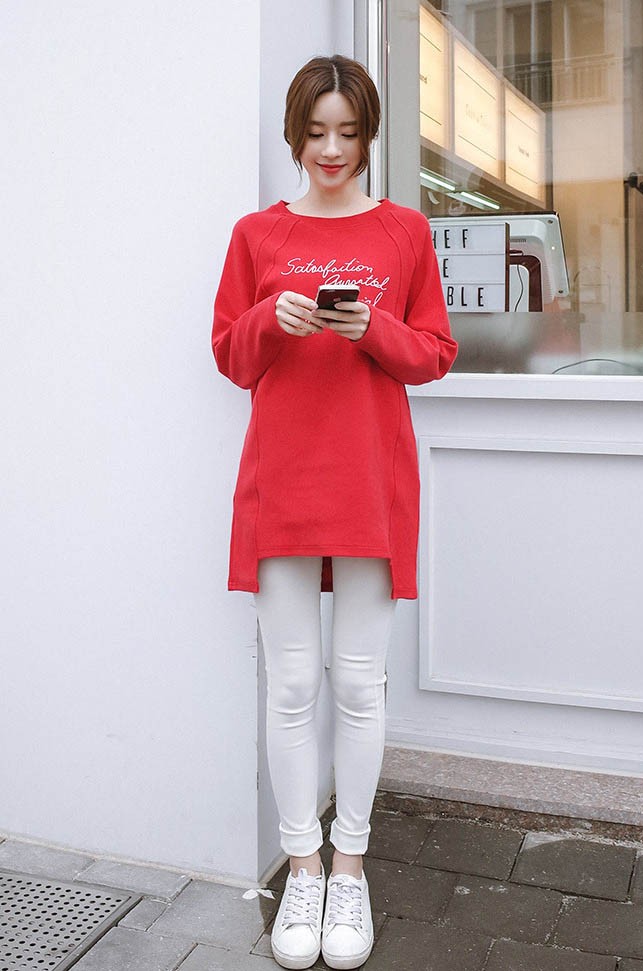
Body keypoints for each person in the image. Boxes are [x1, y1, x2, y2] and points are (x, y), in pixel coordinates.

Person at [212, 54, 457, 970]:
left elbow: (434, 352)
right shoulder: (256, 234)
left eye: (348, 131)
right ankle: (302, 866)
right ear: (294, 133)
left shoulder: (403, 231)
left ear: (368, 135)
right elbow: (230, 356)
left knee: (358, 683)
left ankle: (349, 862)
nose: (331, 149)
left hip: (370, 482)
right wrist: (272, 320)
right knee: (289, 682)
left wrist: (372, 329)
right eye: (315, 131)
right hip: (282, 480)